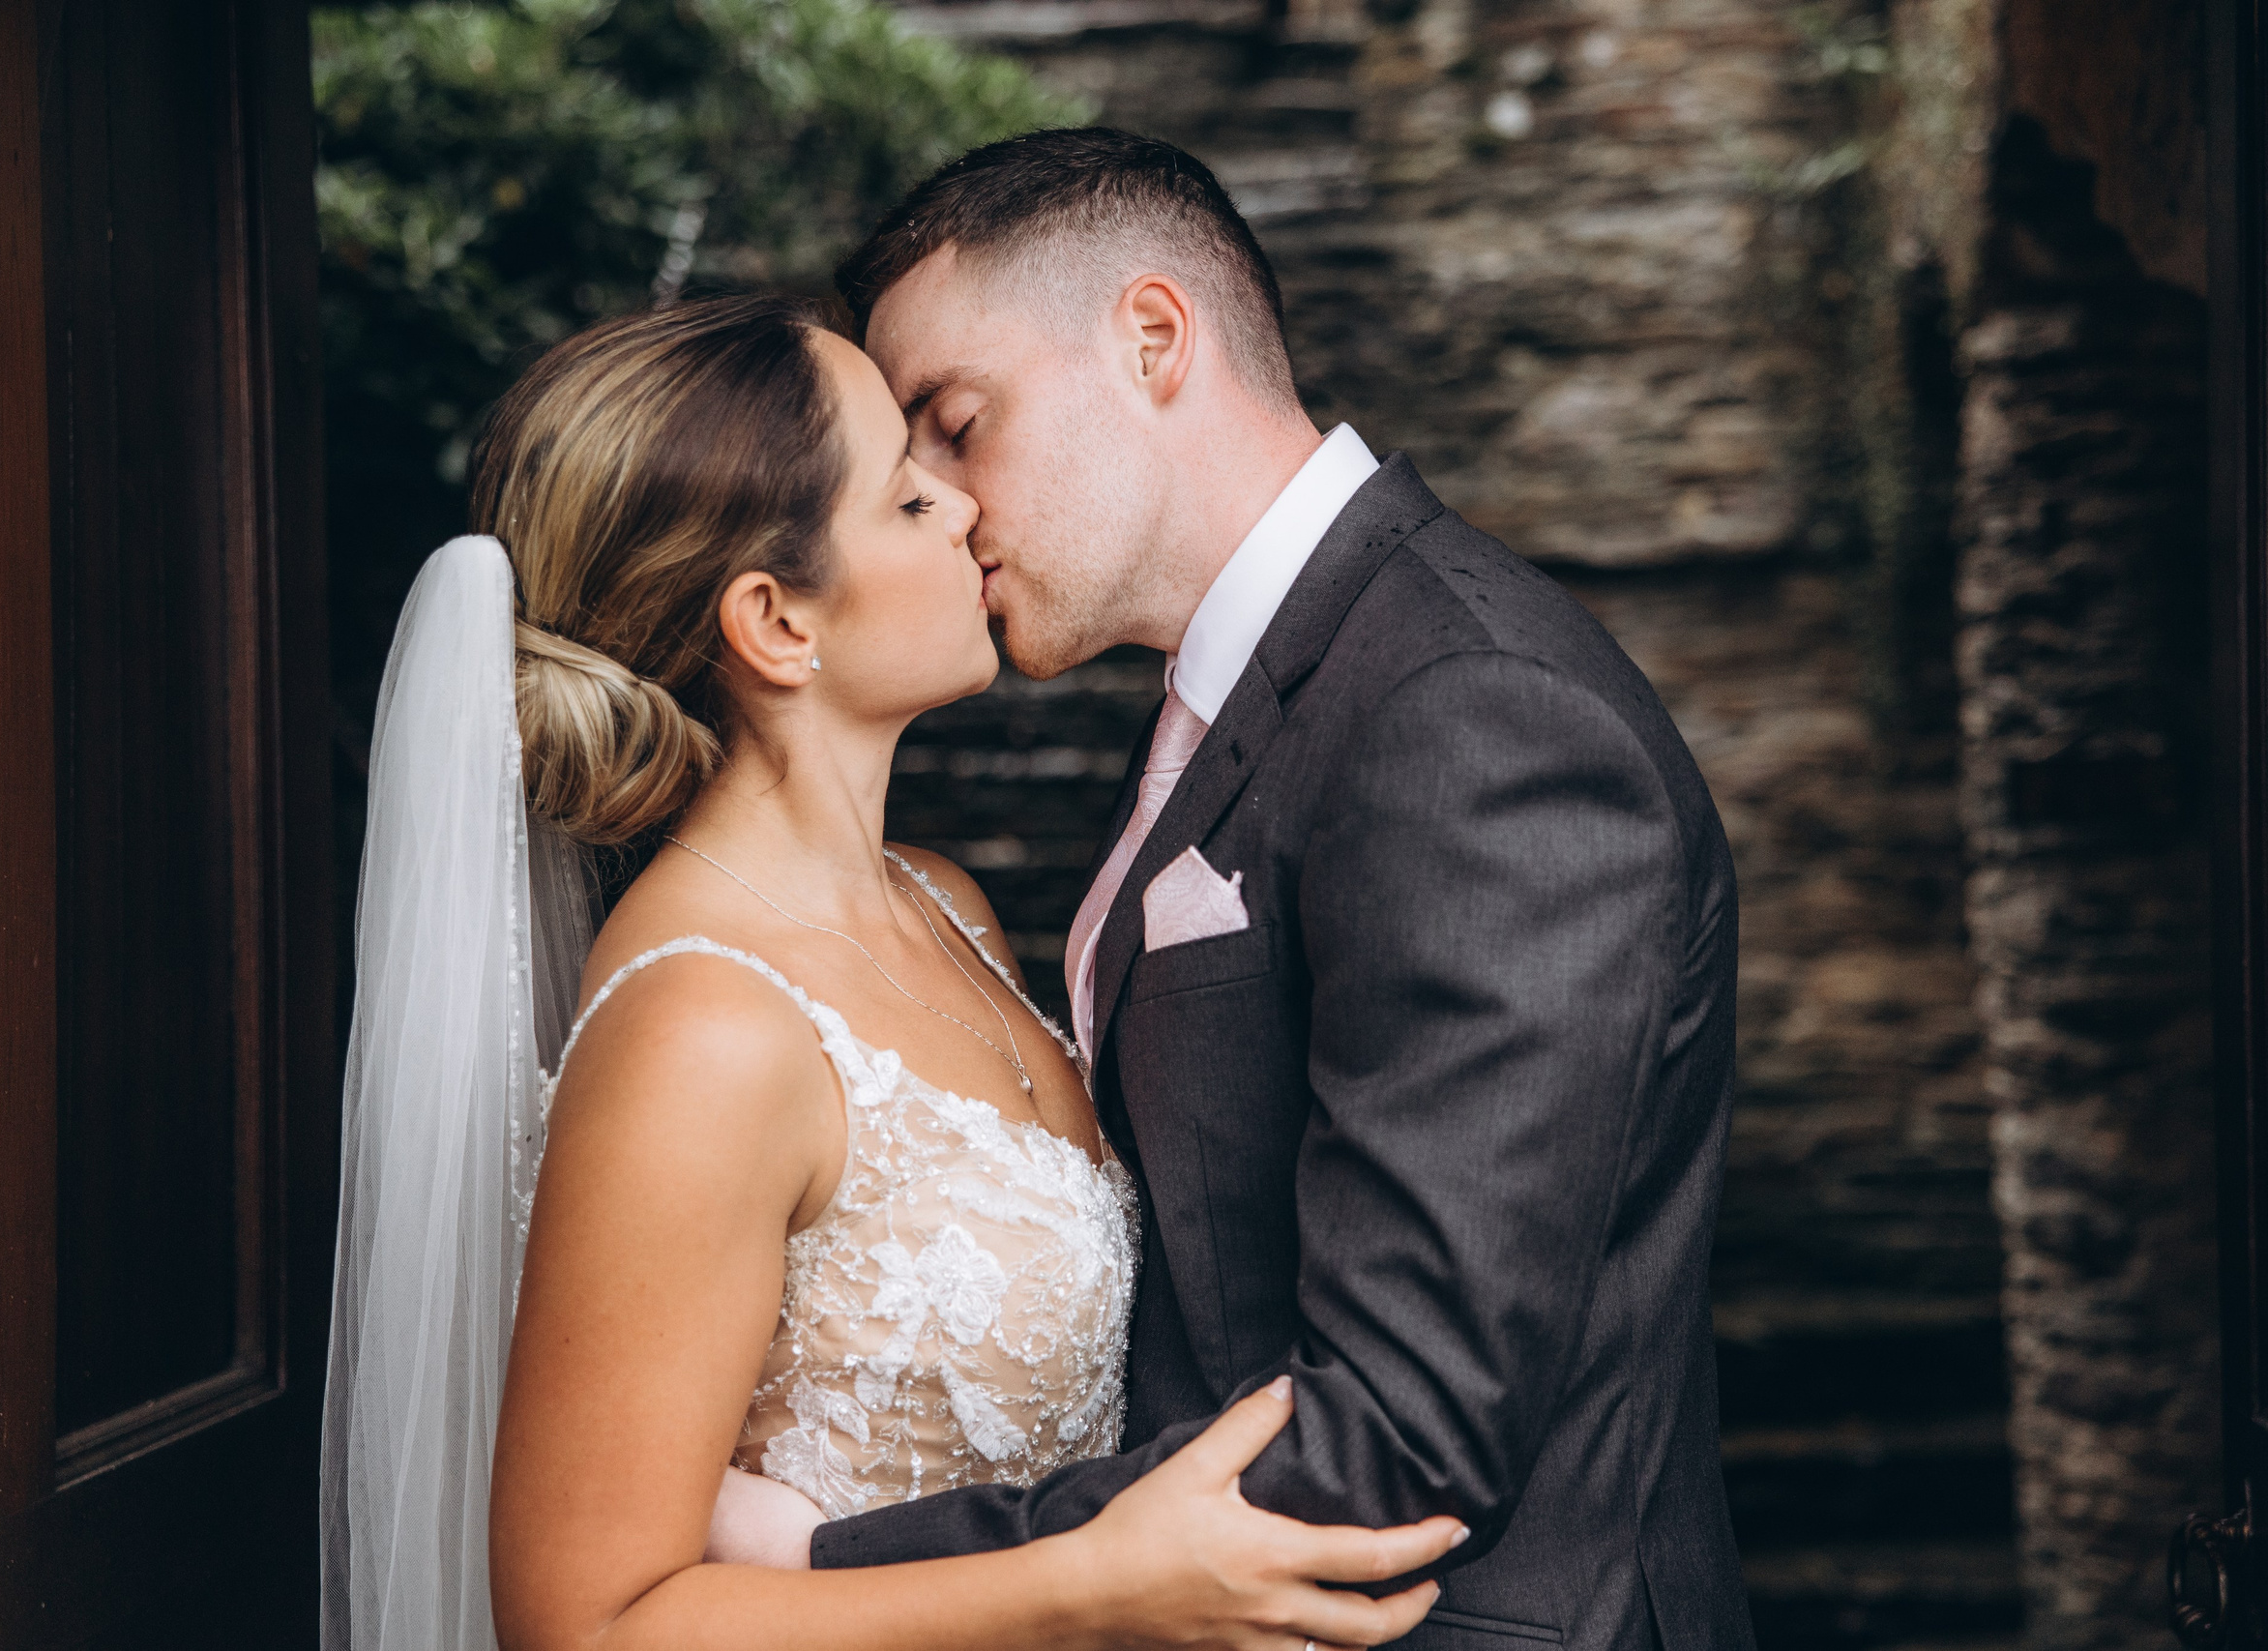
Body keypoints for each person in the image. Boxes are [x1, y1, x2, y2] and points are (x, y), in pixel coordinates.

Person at [718, 128, 1757, 1651]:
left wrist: (839, 1556)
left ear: (1152, 338)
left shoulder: (1465, 713)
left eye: (957, 422)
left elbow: (1395, 1444)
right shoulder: (1263, 692)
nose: (941, 505)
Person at [319, 293, 1463, 1651]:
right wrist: (1091, 1588)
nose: (970, 507)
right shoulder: (707, 1029)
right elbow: (586, 1625)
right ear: (778, 626)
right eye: (909, 497)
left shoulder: (946, 907)